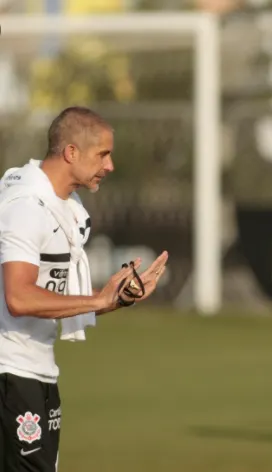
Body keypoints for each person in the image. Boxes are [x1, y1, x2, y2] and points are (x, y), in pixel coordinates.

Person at [0, 106, 168, 472]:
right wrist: (98, 298)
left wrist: (118, 298)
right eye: (103, 154)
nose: (110, 166)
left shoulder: (65, 205)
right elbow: (18, 297)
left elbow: (54, 300)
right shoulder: (26, 207)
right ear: (71, 152)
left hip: (37, 369)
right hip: (8, 372)